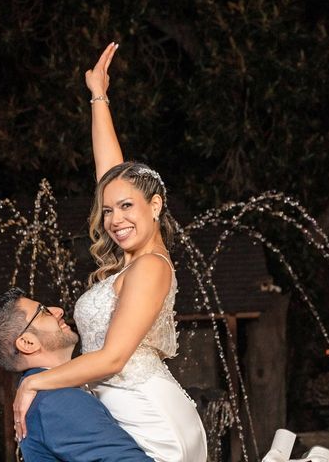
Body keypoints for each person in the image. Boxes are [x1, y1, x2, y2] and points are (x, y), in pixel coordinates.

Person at [13, 43, 208, 461]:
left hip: (152, 417)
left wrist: (33, 382)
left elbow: (114, 357)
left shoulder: (151, 268)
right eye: (108, 211)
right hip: (123, 414)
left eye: (127, 207)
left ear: (154, 207)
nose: (115, 218)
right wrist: (98, 96)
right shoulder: (129, 263)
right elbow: (111, 177)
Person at [0, 287, 154, 462]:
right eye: (44, 311)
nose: (58, 311)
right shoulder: (58, 402)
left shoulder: (45, 397)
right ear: (28, 342)